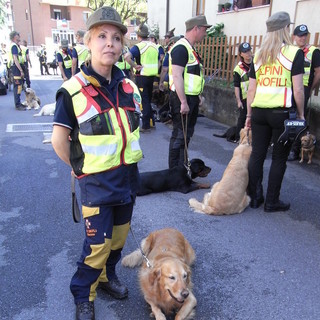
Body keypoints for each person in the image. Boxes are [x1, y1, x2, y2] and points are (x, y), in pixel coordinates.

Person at [51, 6, 143, 320]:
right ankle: (83, 294)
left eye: (116, 38)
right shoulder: (72, 91)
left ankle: (106, 277)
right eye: (102, 36)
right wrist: (80, 170)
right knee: (97, 246)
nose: (110, 43)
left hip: (127, 182)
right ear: (89, 42)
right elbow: (59, 141)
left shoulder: (129, 87)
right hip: (96, 185)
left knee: (117, 240)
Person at [245, 11, 305, 212]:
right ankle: (271, 201)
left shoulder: (259, 56)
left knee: (257, 155)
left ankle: (254, 197)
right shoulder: (293, 53)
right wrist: (301, 114)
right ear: (285, 29)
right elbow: (298, 89)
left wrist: (248, 115)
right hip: (282, 114)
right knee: (279, 158)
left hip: (260, 111)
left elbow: (251, 90)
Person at [168, 15, 211, 168]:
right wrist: (183, 102)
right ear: (196, 29)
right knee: (180, 135)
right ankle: (174, 172)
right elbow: (177, 75)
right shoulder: (181, 48)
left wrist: (197, 96)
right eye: (204, 29)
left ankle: (182, 168)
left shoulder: (190, 49)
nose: (205, 33)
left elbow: (192, 76)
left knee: (186, 136)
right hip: (182, 98)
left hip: (190, 98)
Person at [287, 24, 320, 161]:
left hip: (304, 88)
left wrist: (311, 87)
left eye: (305, 35)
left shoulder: (313, 51)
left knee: (300, 120)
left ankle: (295, 150)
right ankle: (285, 146)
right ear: (294, 37)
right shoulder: (291, 50)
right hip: (289, 88)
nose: (303, 38)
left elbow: (318, 72)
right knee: (288, 117)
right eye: (300, 35)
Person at [125, 24, 160, 132]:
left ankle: (145, 125)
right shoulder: (155, 46)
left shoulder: (138, 47)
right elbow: (159, 60)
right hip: (152, 76)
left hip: (142, 76)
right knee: (148, 100)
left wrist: (135, 65)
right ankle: (151, 122)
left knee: (144, 101)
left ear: (139, 36)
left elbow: (127, 57)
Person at [233, 42, 252, 141]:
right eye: (245, 52)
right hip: (244, 97)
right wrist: (238, 101)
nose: (248, 53)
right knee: (243, 117)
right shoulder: (238, 68)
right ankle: (238, 137)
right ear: (241, 54)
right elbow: (236, 86)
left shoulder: (256, 64)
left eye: (249, 50)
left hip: (256, 96)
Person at [7, 31, 25, 110]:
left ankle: (18, 103)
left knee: (18, 86)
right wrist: (21, 70)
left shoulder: (14, 45)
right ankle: (18, 105)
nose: (19, 36)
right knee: (18, 86)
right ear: (14, 37)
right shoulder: (14, 46)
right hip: (16, 67)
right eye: (18, 35)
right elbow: (15, 59)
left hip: (15, 67)